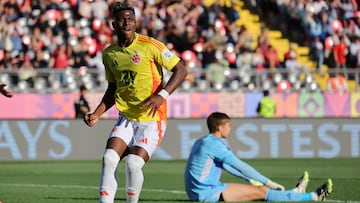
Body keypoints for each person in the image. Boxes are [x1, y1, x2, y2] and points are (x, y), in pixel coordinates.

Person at [83, 2, 187, 203]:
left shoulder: (151, 45)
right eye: (122, 19)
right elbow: (113, 89)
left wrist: (162, 95)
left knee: (132, 163)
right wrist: (97, 113)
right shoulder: (109, 54)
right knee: (109, 158)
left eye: (131, 19)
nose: (127, 22)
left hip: (152, 118)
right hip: (126, 118)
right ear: (114, 24)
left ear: (136, 22)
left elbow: (181, 70)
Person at [184, 112, 333, 202]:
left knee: (260, 190)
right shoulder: (214, 144)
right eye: (229, 126)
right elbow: (238, 164)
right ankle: (313, 197)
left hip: (199, 190)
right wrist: (267, 181)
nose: (230, 129)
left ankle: (295, 193)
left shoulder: (203, 141)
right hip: (206, 193)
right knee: (263, 191)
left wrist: (249, 179)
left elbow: (226, 166)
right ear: (220, 128)